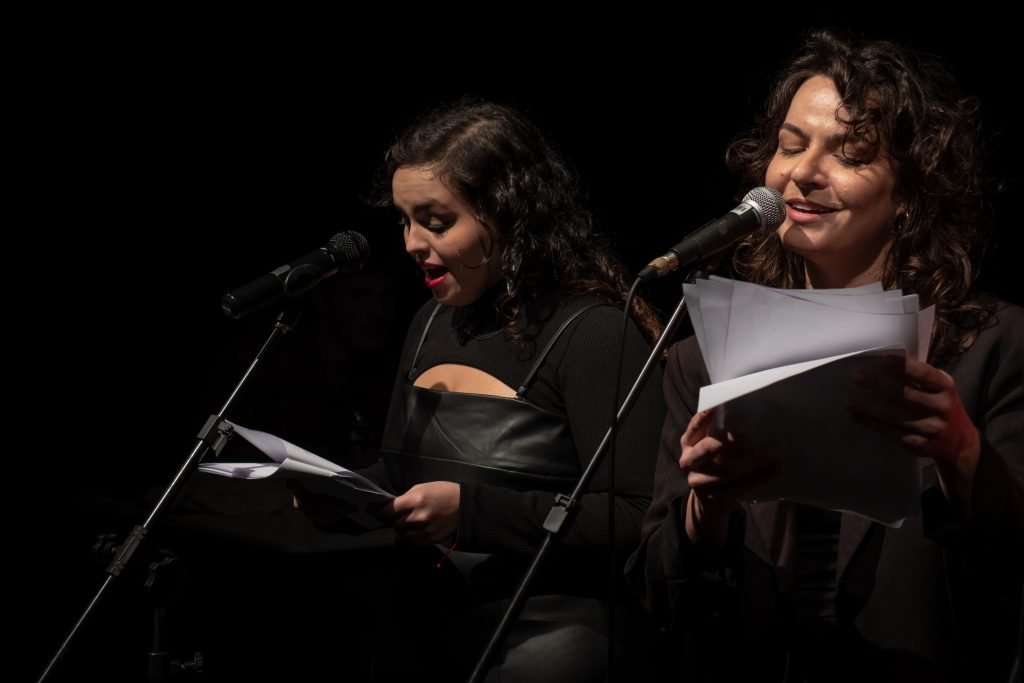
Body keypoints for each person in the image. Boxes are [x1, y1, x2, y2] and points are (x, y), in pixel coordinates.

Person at [625, 29, 1023, 682]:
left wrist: (962, 452)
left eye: (851, 153)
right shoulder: (706, 357)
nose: (803, 173)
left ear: (910, 192)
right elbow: (659, 596)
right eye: (790, 146)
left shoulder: (990, 346)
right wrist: (707, 508)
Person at [292, 97, 667, 682]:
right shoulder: (431, 324)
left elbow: (639, 515)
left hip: (556, 629)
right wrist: (349, 498)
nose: (413, 242)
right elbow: (407, 472)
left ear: (509, 215)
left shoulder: (592, 333)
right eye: (405, 220)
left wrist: (473, 514)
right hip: (425, 620)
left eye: (437, 222)